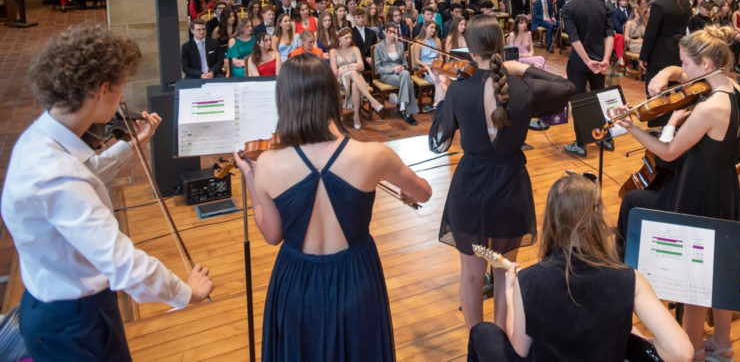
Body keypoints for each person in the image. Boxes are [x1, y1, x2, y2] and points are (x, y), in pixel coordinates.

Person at [2, 24, 214, 361]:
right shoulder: (57, 177)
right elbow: (125, 265)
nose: (122, 100)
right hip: (76, 322)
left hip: (54, 304)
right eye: (121, 89)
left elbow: (86, 173)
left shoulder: (42, 137)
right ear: (102, 90)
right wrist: (187, 292)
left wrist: (134, 143)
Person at [232, 54, 431, 362]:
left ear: (284, 100)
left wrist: (249, 176)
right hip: (356, 276)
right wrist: (409, 194)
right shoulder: (373, 155)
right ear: (331, 95)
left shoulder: (269, 162)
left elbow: (272, 235)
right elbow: (424, 192)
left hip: (297, 279)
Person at [428, 14, 574, 333]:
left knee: (471, 273)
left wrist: (442, 92)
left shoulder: (458, 90)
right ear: (502, 43)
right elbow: (567, 86)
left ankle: (476, 342)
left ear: (469, 48)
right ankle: (502, 337)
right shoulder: (522, 88)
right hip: (510, 185)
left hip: (470, 186)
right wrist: (522, 67)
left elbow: (438, 141)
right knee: (506, 271)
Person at [615, 26, 740, 361]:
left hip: (699, 193)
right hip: (725, 189)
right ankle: (723, 343)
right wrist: (670, 71)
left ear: (705, 63)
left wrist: (632, 128)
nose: (683, 73)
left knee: (695, 279)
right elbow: (687, 78)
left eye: (686, 65)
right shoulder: (734, 89)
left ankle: (696, 349)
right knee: (716, 271)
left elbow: (669, 151)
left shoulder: (709, 109)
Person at [467, 174, 692, 362]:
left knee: (482, 332)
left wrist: (509, 295)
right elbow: (682, 352)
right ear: (598, 220)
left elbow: (519, 350)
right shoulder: (630, 278)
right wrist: (633, 336)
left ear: (551, 221)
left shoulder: (529, 280)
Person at [561, 0, 615, 157]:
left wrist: (587, 61)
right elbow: (610, 34)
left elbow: (574, 39)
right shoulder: (602, 5)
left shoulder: (568, 8)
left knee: (579, 102)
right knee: (601, 99)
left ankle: (581, 143)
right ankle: (606, 138)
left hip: (580, 62)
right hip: (601, 62)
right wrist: (606, 59)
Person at [331, 28, 384, 130]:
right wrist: (351, 66)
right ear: (339, 39)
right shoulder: (334, 51)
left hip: (356, 78)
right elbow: (335, 72)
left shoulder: (355, 49)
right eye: (346, 38)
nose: (349, 40)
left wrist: (345, 68)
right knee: (353, 72)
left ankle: (356, 116)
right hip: (341, 80)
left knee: (355, 81)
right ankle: (372, 100)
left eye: (350, 37)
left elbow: (362, 67)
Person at [374, 22, 419, 124]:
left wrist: (403, 67)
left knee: (406, 73)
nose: (392, 35)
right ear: (384, 32)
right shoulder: (378, 47)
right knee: (410, 83)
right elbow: (377, 68)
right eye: (389, 32)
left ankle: (403, 105)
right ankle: (407, 112)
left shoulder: (400, 45)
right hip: (387, 74)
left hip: (400, 73)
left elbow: (405, 63)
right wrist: (392, 70)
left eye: (394, 32)